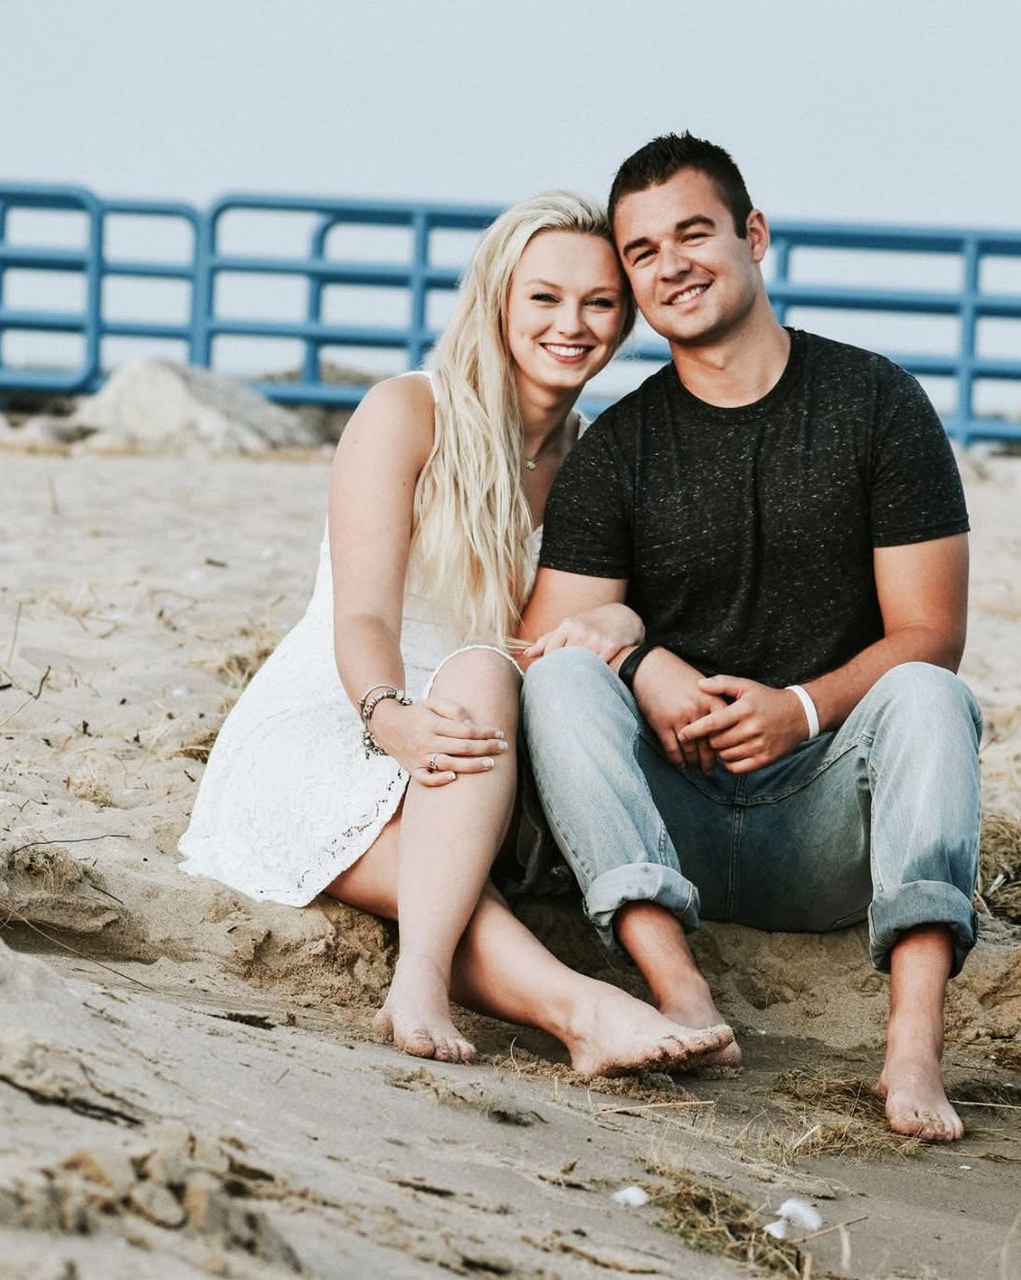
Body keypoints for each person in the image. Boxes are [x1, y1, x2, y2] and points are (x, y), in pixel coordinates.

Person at [179, 191, 735, 1076]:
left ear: (625, 318)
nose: (571, 325)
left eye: (599, 303)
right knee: (449, 801)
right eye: (545, 297)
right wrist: (388, 714)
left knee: (480, 673)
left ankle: (481, 990)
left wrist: (624, 618)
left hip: (479, 747)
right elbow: (363, 615)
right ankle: (567, 1007)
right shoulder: (408, 412)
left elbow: (541, 649)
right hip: (345, 708)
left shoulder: (598, 461)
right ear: (499, 299)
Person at [519, 136, 984, 1141]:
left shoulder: (877, 403)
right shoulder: (621, 447)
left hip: (828, 826)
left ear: (754, 235)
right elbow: (543, 636)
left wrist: (802, 709)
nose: (672, 265)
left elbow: (932, 632)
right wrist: (640, 661)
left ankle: (912, 1044)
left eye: (694, 234)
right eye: (643, 252)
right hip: (672, 814)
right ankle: (680, 990)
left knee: (933, 695)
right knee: (561, 680)